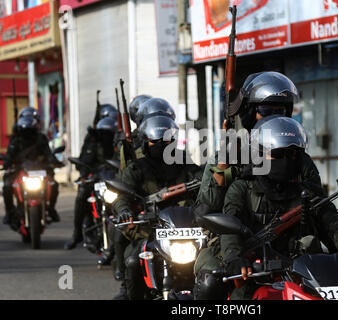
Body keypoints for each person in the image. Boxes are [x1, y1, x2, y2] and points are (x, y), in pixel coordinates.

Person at [196, 116, 338, 300]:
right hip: (258, 276)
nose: (286, 160)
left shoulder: (308, 194)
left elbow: (337, 228)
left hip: (307, 277)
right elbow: (231, 227)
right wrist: (235, 258)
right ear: (259, 155)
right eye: (277, 154)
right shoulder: (241, 190)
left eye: (292, 154)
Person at [193, 72, 324, 299]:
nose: (273, 117)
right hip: (231, 241)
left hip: (288, 241)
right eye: (265, 111)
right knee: (210, 282)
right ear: (248, 112)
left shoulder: (296, 157)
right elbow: (206, 207)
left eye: (280, 111)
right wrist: (224, 163)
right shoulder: (229, 154)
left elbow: (317, 202)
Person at [112, 114, 203, 300]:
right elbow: (122, 196)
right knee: (132, 261)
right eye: (156, 141)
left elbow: (202, 180)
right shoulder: (136, 168)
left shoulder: (183, 161)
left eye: (167, 140)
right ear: (145, 143)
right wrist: (124, 210)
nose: (162, 145)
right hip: (149, 230)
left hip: (186, 228)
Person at [64, 117, 118, 250]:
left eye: (109, 132)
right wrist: (84, 176)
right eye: (103, 132)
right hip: (94, 178)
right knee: (82, 194)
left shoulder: (119, 141)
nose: (106, 135)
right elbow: (84, 161)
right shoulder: (92, 141)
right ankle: (77, 233)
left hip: (113, 179)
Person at [2, 115, 62, 229]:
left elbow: (47, 153)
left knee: (54, 184)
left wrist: (54, 162)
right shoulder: (16, 139)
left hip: (39, 169)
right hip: (21, 170)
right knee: (7, 186)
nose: (27, 133)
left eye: (30, 130)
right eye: (25, 131)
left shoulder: (41, 138)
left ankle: (51, 209)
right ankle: (9, 212)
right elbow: (10, 155)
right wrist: (7, 163)